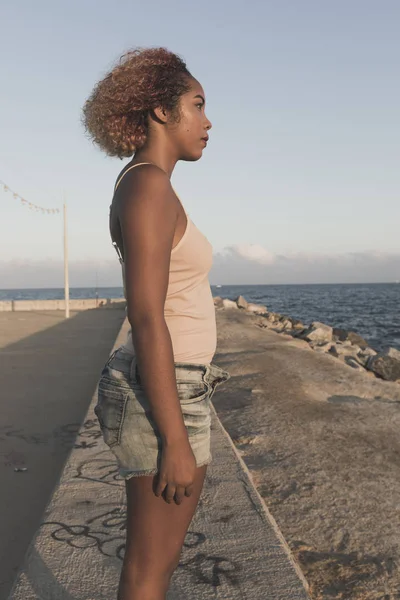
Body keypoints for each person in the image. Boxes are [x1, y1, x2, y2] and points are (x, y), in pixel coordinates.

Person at [82, 47, 230, 600]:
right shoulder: (147, 187)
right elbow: (146, 317)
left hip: (178, 385)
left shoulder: (150, 185)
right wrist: (174, 439)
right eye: (198, 104)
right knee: (149, 571)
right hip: (165, 394)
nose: (208, 120)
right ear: (161, 113)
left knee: (156, 567)